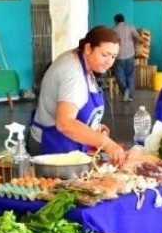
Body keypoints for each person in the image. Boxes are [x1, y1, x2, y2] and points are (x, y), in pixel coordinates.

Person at [28, 26, 126, 165]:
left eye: (113, 57)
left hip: (68, 146)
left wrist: (93, 126)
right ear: (88, 48)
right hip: (52, 147)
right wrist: (107, 143)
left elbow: (76, 105)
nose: (109, 61)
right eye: (105, 55)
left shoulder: (81, 60)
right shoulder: (73, 75)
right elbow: (65, 123)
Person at [112, 13, 141, 102]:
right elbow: (137, 38)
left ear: (115, 21)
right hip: (130, 55)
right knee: (130, 76)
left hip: (118, 56)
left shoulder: (113, 30)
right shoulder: (130, 27)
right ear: (123, 19)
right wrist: (143, 42)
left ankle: (125, 90)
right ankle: (130, 96)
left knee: (119, 76)